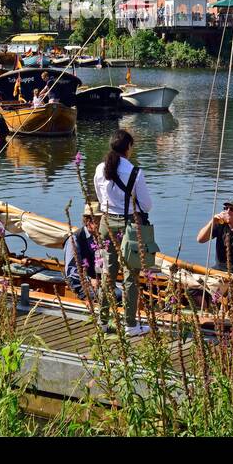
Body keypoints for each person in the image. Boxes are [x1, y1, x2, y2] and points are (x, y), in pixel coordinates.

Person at [92, 128, 155, 337]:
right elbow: (146, 205)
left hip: (107, 223)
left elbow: (101, 199)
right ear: (128, 147)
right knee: (131, 275)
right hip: (130, 226)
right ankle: (130, 324)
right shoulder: (135, 172)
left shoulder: (100, 169)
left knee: (107, 274)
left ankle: (102, 321)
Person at [64, 207, 105, 301]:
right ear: (88, 221)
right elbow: (71, 272)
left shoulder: (100, 236)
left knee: (121, 294)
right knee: (110, 297)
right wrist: (90, 280)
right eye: (100, 221)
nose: (103, 225)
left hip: (100, 280)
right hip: (80, 283)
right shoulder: (75, 239)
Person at [196, 200, 233, 271]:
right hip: (219, 271)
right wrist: (212, 222)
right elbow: (200, 239)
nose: (228, 211)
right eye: (226, 208)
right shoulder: (220, 225)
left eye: (232, 209)